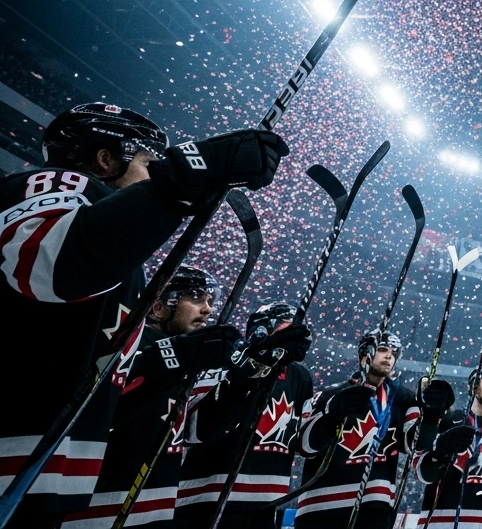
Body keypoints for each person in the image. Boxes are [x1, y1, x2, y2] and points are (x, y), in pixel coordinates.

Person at [0, 102, 286, 528]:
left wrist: (181, 365)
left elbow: (113, 393)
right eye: (150, 162)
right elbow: (46, 264)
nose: (156, 172)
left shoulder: (123, 259)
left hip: (46, 482)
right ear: (106, 158)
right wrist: (181, 179)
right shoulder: (60, 184)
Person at [60, 266, 241, 529]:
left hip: (158, 508)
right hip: (97, 510)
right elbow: (97, 410)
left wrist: (242, 382)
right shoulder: (129, 340)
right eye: (196, 298)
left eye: (210, 301)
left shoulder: (191, 358)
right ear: (158, 306)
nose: (208, 309)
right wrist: (166, 361)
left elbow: (197, 432)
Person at [174, 302, 314, 529]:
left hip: (267, 503)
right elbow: (196, 429)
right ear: (262, 330)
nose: (294, 336)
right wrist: (248, 372)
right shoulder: (227, 357)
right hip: (205, 498)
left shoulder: (301, 377)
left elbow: (302, 443)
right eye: (287, 329)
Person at [293, 330, 419, 529]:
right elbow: (303, 446)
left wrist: (432, 416)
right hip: (321, 511)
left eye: (394, 353)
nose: (389, 356)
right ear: (364, 358)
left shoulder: (403, 400)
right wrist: (330, 414)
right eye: (382, 349)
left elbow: (414, 446)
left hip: (375, 511)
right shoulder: (331, 394)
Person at [415, 364, 482, 529]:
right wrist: (441, 449)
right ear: (471, 386)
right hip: (440, 520)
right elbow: (422, 473)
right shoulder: (448, 420)